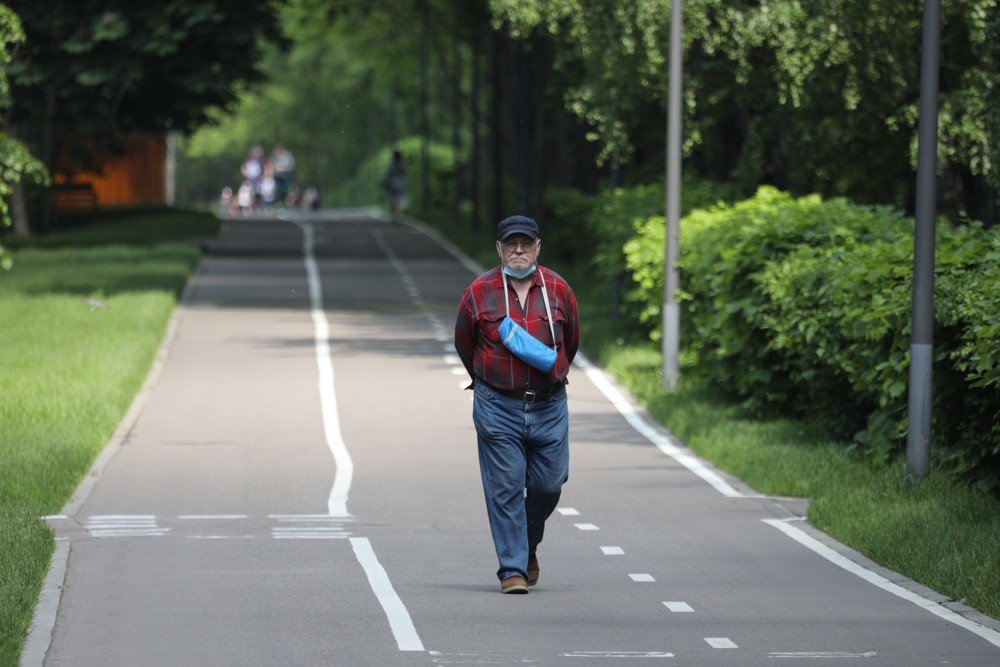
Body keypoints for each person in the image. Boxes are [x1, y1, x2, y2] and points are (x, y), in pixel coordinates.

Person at [454, 215, 580, 594]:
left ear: (538, 247)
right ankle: (513, 569)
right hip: (498, 405)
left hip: (549, 406)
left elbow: (570, 341)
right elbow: (464, 343)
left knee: (549, 485)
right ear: (499, 249)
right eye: (512, 244)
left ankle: (527, 545)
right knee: (505, 486)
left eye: (526, 243)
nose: (519, 250)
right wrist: (489, 380)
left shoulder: (558, 289)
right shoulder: (479, 291)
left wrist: (550, 378)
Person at [382, 150, 407, 222]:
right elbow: (404, 173)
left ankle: (394, 214)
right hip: (401, 184)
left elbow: (388, 175)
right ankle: (399, 214)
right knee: (400, 199)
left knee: (393, 199)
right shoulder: (402, 164)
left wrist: (385, 183)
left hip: (393, 184)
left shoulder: (391, 165)